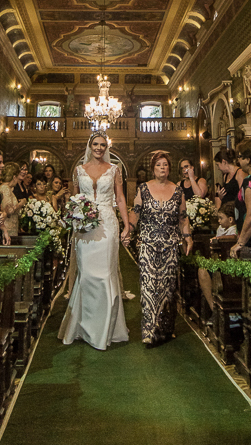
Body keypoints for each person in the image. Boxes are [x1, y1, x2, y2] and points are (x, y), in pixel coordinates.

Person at [58, 131, 130, 351]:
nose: (99, 148)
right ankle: (83, 326)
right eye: (96, 144)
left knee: (105, 274)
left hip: (107, 223)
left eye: (103, 144)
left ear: (106, 147)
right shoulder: (79, 170)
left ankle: (106, 328)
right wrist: (74, 216)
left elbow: (120, 198)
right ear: (90, 146)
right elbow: (75, 198)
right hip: (84, 226)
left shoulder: (114, 170)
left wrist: (127, 225)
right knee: (87, 275)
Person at [128, 150, 192, 347]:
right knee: (148, 288)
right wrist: (129, 229)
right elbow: (135, 213)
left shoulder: (178, 191)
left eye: (165, 165)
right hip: (147, 244)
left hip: (170, 245)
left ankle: (165, 328)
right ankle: (149, 332)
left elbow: (183, 218)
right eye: (158, 165)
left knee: (168, 289)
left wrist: (188, 237)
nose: (162, 168)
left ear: (169, 168)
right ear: (153, 168)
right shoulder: (143, 189)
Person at [198, 202, 237, 313]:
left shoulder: (234, 229)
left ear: (230, 219)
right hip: (219, 261)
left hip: (228, 264)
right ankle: (213, 308)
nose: (219, 221)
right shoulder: (221, 228)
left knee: (203, 271)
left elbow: (234, 237)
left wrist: (218, 239)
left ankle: (215, 309)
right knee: (203, 269)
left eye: (221, 218)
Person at [0, 162, 22, 237]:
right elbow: (8, 210)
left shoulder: (7, 188)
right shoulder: (5, 188)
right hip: (8, 228)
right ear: (14, 177)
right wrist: (21, 204)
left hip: (11, 228)